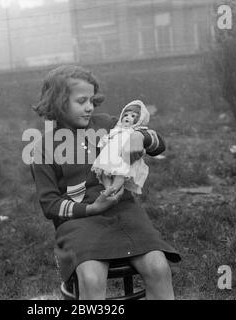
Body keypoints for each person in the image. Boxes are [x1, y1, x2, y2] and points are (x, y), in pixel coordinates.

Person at [31, 65, 181, 300]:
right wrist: (92, 208)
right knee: (91, 279)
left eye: (92, 100)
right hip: (80, 223)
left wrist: (138, 136)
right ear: (59, 102)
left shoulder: (108, 126)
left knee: (159, 268)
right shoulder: (44, 147)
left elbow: (159, 144)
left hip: (126, 214)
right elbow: (50, 205)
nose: (90, 107)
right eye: (81, 101)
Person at [91, 100, 150, 196]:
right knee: (104, 173)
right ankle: (108, 189)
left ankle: (114, 188)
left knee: (120, 173)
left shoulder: (135, 132)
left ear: (139, 120)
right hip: (109, 155)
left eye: (133, 116)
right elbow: (109, 137)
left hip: (122, 157)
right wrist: (105, 140)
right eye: (126, 115)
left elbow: (147, 137)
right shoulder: (116, 129)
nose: (128, 117)